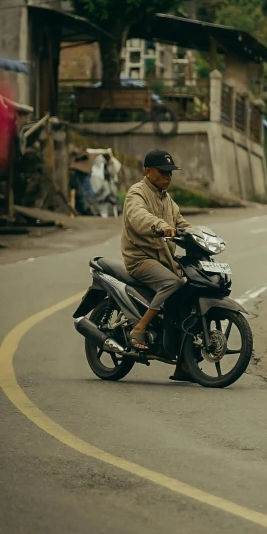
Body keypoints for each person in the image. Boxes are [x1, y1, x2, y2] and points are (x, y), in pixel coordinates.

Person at [121, 149, 191, 380]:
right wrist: (160, 225)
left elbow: (182, 224)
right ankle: (139, 328)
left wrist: (201, 237)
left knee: (188, 293)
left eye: (170, 173)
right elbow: (138, 216)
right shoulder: (137, 193)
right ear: (147, 171)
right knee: (172, 283)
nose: (168, 177)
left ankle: (183, 364)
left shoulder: (166, 199)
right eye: (163, 172)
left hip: (164, 260)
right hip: (140, 258)